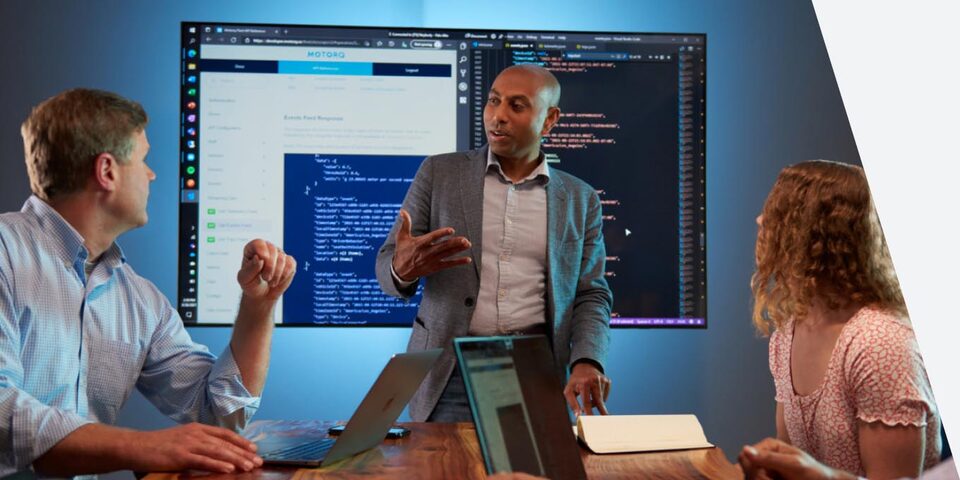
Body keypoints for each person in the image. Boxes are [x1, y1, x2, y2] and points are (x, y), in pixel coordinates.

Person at [0, 89, 297, 477]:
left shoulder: (137, 299)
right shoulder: (5, 253)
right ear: (107, 171)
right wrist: (142, 446)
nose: (152, 174)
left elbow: (220, 413)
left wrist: (258, 307)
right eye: (143, 159)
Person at [375, 65, 613, 422]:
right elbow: (386, 267)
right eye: (493, 101)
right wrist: (401, 270)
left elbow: (591, 293)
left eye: (516, 106)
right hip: (449, 372)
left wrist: (586, 359)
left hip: (538, 372)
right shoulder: (439, 173)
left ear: (549, 120)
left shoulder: (580, 199)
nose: (498, 116)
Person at [743, 160, 941, 479]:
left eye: (778, 214)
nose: (760, 219)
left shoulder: (879, 343)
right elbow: (792, 459)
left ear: (811, 235)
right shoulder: (788, 331)